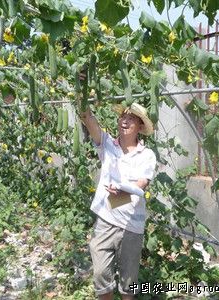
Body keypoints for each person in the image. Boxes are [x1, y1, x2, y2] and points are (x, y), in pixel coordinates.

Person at [79, 98, 157, 299]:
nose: (125, 121)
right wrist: (82, 88)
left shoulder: (147, 154)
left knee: (128, 282)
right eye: (123, 116)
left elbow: (142, 183)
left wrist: (123, 192)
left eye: (132, 119)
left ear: (140, 127)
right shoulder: (107, 144)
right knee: (100, 275)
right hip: (105, 221)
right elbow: (88, 119)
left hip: (132, 225)